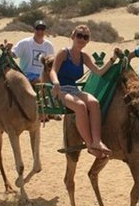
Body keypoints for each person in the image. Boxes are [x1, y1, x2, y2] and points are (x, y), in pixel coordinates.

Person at [49, 24, 117, 159]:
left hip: (74, 89)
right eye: (79, 35)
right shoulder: (64, 53)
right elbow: (53, 70)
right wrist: (55, 82)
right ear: (72, 37)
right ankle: (90, 144)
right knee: (80, 106)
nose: (82, 39)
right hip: (61, 90)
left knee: (94, 103)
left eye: (85, 37)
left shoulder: (84, 56)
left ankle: (97, 141)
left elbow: (98, 71)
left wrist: (113, 59)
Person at [11, 19, 55, 84]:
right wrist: (8, 50)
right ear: (34, 30)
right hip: (26, 75)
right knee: (39, 81)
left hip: (43, 76)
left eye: (42, 29)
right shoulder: (25, 43)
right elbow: (13, 54)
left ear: (45, 31)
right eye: (38, 29)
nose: (40, 31)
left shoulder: (49, 46)